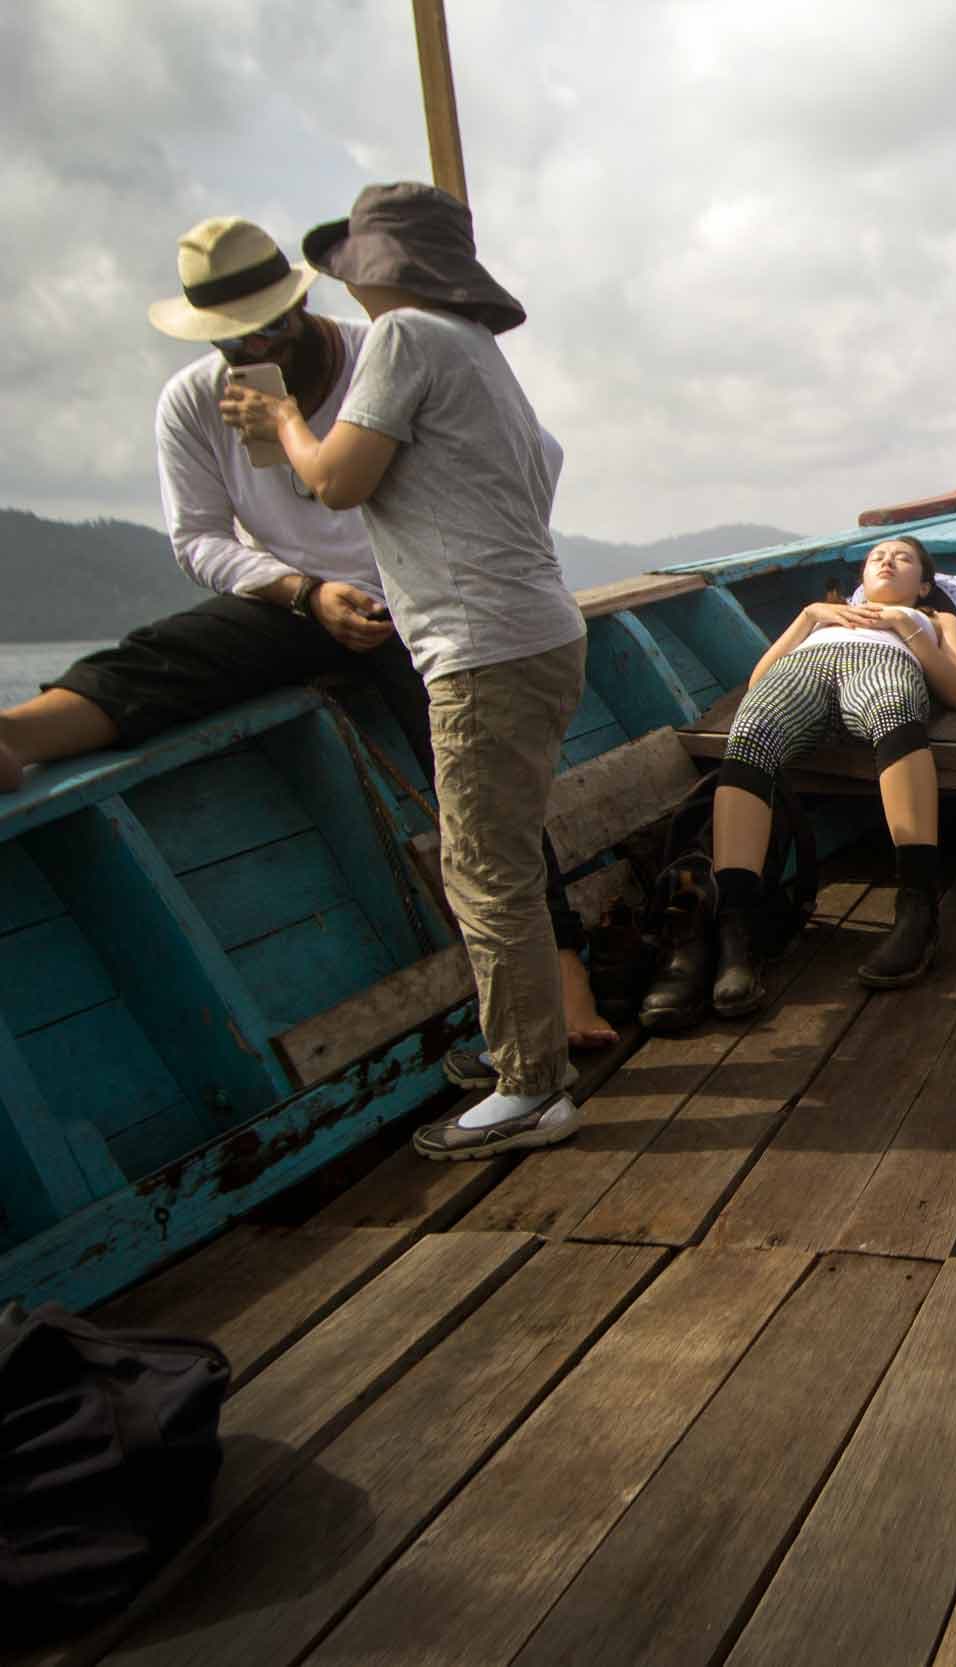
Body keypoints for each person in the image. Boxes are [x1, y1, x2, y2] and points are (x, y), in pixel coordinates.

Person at [0, 214, 613, 1056]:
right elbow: (200, 540)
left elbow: (529, 458)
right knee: (169, 655)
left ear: (301, 303)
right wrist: (305, 591)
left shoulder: (386, 354)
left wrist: (442, 568)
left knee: (474, 788)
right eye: (232, 334)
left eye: (272, 324)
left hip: (418, 605)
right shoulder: (191, 402)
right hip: (296, 598)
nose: (256, 343)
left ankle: (566, 979)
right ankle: (19, 735)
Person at [220, 182, 585, 1161]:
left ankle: (531, 1088)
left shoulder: (405, 338)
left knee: (484, 869)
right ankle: (523, 1046)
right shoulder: (479, 352)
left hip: (481, 648)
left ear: (378, 268)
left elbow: (336, 482)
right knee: (498, 854)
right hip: (539, 628)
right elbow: (542, 466)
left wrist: (283, 416)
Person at [646, 536, 956, 1017]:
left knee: (895, 711)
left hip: (884, 663)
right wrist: (809, 617)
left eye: (902, 559)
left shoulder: (934, 619)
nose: (886, 561)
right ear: (861, 578)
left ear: (924, 585)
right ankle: (737, 929)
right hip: (802, 669)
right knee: (751, 728)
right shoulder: (822, 615)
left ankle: (917, 906)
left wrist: (908, 627)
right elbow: (759, 683)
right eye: (876, 557)